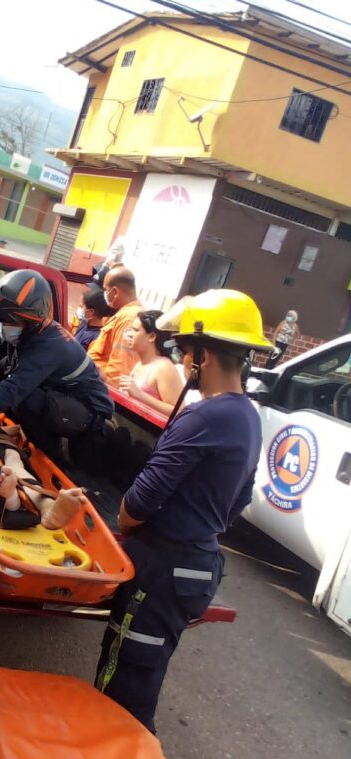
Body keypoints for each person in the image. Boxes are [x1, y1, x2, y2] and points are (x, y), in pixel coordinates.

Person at [95, 289, 273, 733]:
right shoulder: (249, 417)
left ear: (205, 356)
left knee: (121, 688)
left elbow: (135, 506)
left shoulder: (203, 418)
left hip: (163, 568)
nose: (181, 360)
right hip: (199, 564)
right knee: (144, 674)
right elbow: (239, 502)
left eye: (184, 350)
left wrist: (132, 521)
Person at [0, 269, 113, 462]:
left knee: (25, 397)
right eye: (0, 321)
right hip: (58, 396)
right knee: (0, 368)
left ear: (32, 319)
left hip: (86, 414)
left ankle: (51, 456)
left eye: (9, 321)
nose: (3, 326)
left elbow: (12, 390)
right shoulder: (19, 331)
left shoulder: (51, 346)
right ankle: (15, 433)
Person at [119, 310, 184, 417]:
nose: (130, 334)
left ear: (152, 336)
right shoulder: (140, 363)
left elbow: (178, 412)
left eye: (135, 330)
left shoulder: (163, 367)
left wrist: (140, 395)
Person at [88, 266, 143, 385]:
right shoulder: (124, 314)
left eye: (105, 289)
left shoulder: (128, 319)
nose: (104, 294)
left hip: (102, 388)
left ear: (115, 292)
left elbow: (119, 371)